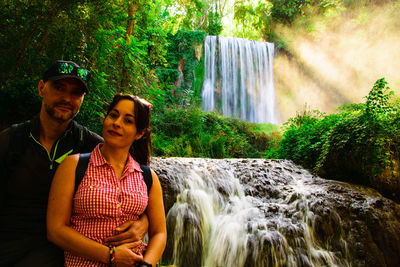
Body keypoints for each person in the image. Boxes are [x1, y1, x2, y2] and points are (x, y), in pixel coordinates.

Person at [0, 60, 149, 266]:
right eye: (59, 88)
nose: (67, 99)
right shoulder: (11, 142)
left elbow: (138, 183)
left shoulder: (90, 145)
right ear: (42, 88)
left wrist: (144, 221)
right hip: (10, 246)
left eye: (76, 93)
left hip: (67, 252)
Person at [47, 94, 167, 267]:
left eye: (128, 121)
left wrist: (146, 264)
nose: (116, 123)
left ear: (139, 133)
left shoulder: (148, 177)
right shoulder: (74, 166)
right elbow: (56, 230)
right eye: (113, 115)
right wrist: (111, 255)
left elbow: (159, 233)